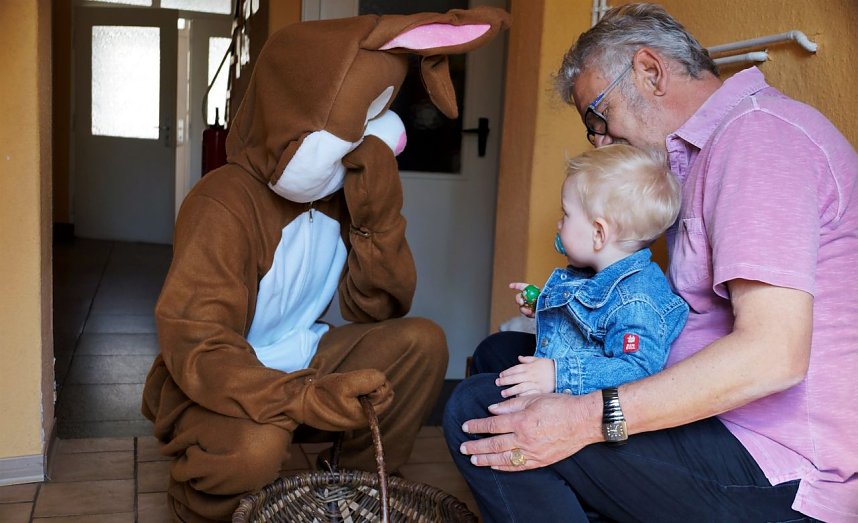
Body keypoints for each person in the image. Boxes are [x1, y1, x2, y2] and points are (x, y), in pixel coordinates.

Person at [443, 3, 858, 522]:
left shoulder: (758, 140)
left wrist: (586, 419)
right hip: (722, 424)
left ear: (649, 71)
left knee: (479, 407)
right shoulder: (698, 154)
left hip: (776, 465)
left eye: (598, 116)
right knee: (501, 359)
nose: (598, 139)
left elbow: (773, 355)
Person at [139, 8, 510, 522]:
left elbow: (378, 307)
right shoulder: (221, 202)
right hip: (220, 377)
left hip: (303, 355)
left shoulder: (337, 192)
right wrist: (302, 396)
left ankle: (357, 483)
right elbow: (199, 345)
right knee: (255, 449)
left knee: (422, 341)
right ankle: (197, 506)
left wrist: (377, 206)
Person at [495, 144, 688, 402]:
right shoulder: (596, 271)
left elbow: (637, 369)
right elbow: (584, 319)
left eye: (566, 214)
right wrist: (542, 302)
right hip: (557, 366)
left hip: (577, 397)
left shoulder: (636, 302)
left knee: (468, 398)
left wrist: (558, 374)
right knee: (493, 349)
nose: (559, 223)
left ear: (598, 233)